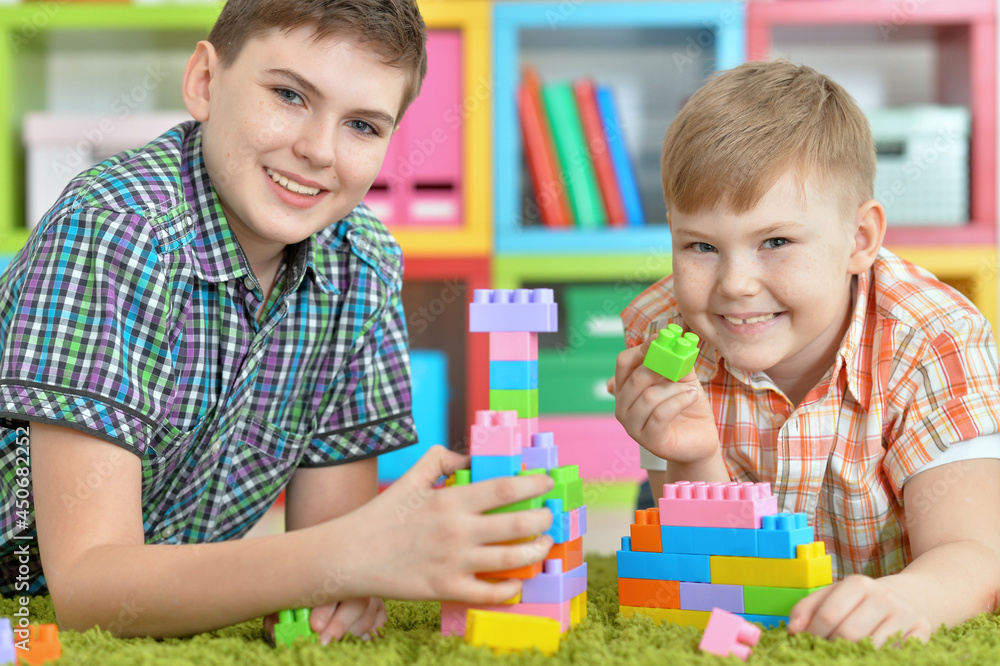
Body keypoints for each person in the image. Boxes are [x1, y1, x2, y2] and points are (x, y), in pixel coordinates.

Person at [0, 0, 554, 642]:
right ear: (205, 83)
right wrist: (348, 557)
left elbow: (328, 555)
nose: (318, 150)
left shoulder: (362, 265)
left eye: (364, 126)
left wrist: (341, 583)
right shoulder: (115, 233)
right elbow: (88, 591)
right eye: (289, 94)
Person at [612, 60, 1000, 647]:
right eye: (701, 246)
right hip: (740, 547)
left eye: (776, 241)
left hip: (897, 564)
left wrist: (905, 596)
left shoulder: (937, 339)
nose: (735, 284)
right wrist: (690, 457)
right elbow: (711, 577)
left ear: (859, 239)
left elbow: (973, 555)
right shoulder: (665, 329)